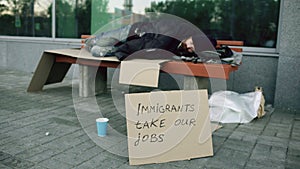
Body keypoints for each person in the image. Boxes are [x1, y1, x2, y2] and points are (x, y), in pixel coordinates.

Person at [84, 19, 211, 61]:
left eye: (191, 49)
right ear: (191, 36)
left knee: (97, 51)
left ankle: (98, 47)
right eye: (191, 42)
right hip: (134, 32)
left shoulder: (181, 48)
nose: (188, 46)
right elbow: (153, 44)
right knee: (101, 42)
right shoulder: (175, 30)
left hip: (137, 42)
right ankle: (93, 41)